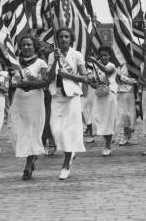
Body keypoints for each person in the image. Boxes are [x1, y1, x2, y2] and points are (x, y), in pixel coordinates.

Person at [46, 28, 89, 180]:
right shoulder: (53, 55)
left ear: (71, 39)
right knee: (56, 130)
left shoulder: (76, 55)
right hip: (57, 96)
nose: (64, 39)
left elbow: (85, 78)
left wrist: (68, 75)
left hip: (72, 98)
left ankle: (66, 163)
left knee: (69, 132)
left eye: (66, 37)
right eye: (61, 37)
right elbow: (49, 76)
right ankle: (70, 154)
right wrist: (55, 62)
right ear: (57, 39)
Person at [9, 36, 49, 180]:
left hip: (34, 100)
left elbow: (45, 82)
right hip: (19, 99)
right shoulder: (15, 63)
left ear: (34, 46)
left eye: (29, 45)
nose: (26, 47)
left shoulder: (41, 62)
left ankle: (29, 162)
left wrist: (30, 83)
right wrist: (14, 84)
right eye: (23, 45)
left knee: (32, 131)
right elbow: (11, 81)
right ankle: (31, 157)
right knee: (17, 130)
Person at [88, 47, 118, 156]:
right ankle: (108, 139)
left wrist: (95, 61)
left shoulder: (111, 65)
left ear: (110, 56)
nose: (103, 57)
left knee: (108, 121)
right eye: (101, 55)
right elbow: (91, 80)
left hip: (109, 96)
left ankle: (108, 144)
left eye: (106, 55)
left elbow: (107, 71)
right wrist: (94, 84)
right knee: (97, 120)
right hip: (99, 96)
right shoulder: (95, 67)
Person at [116, 61, 137, 146]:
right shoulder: (116, 66)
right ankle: (126, 134)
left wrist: (121, 77)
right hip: (119, 91)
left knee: (129, 112)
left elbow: (134, 80)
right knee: (122, 113)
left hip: (129, 91)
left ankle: (128, 132)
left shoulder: (130, 65)